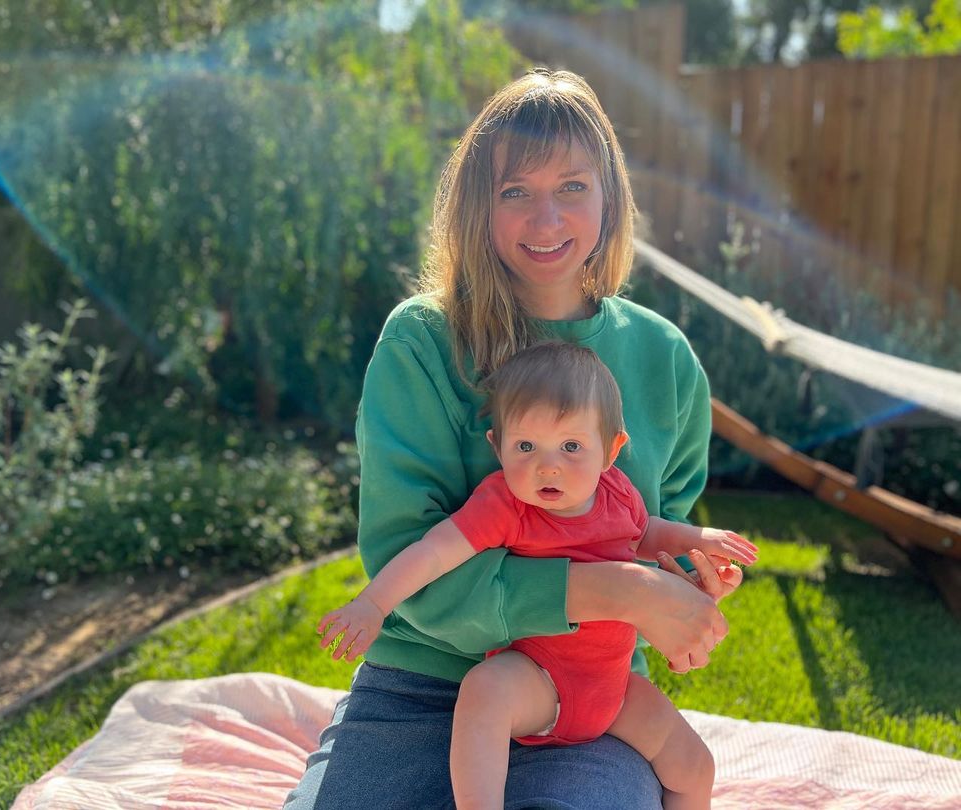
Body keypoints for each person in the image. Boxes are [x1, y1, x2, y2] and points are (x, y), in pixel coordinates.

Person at [283, 68, 742, 810]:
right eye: (515, 191)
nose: (546, 218)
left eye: (573, 187)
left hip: (592, 696)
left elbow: (654, 538)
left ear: (611, 195)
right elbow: (407, 561)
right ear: (478, 206)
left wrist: (689, 587)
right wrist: (610, 589)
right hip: (418, 685)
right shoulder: (422, 341)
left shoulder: (664, 358)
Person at [317, 341, 756, 810]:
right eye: (525, 446)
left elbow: (645, 532)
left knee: (695, 768)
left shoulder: (617, 492)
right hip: (539, 681)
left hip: (613, 688)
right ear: (497, 446)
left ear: (611, 450)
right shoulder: (505, 506)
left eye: (571, 446)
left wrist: (698, 539)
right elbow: (432, 553)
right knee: (485, 690)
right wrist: (373, 603)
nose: (548, 466)